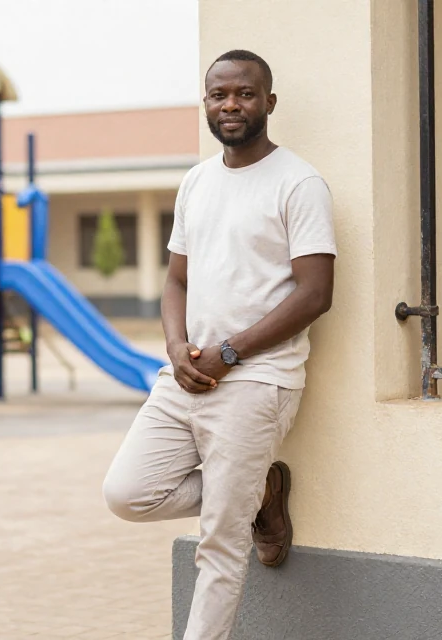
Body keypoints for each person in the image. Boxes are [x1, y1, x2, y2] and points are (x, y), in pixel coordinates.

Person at [101, 49, 337, 639]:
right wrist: (176, 347)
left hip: (256, 382)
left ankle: (246, 497)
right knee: (127, 494)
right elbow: (177, 278)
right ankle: (260, 490)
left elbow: (315, 294)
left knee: (220, 544)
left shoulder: (299, 184)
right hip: (187, 377)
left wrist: (232, 352)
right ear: (205, 102)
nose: (231, 105)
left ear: (269, 103)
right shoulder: (197, 181)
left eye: (245, 94)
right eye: (219, 95)